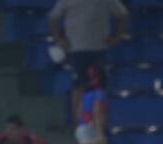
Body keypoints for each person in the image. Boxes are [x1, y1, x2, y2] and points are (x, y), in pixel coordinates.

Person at [48, 0, 128, 128]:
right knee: (78, 87)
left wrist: (118, 37)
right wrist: (59, 39)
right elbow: (53, 17)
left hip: (99, 49)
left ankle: (99, 127)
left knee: (100, 89)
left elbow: (123, 14)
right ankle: (79, 128)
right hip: (76, 50)